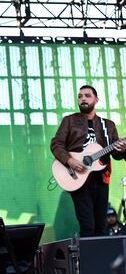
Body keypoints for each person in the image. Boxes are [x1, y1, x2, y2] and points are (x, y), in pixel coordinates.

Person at [51, 85, 126, 237]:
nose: (83, 98)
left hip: (101, 179)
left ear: (96, 100)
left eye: (87, 95)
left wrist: (122, 150)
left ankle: (102, 260)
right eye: (80, 96)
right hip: (78, 178)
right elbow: (56, 144)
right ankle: (89, 260)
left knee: (101, 226)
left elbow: (116, 155)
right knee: (88, 226)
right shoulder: (70, 121)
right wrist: (70, 160)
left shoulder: (108, 125)